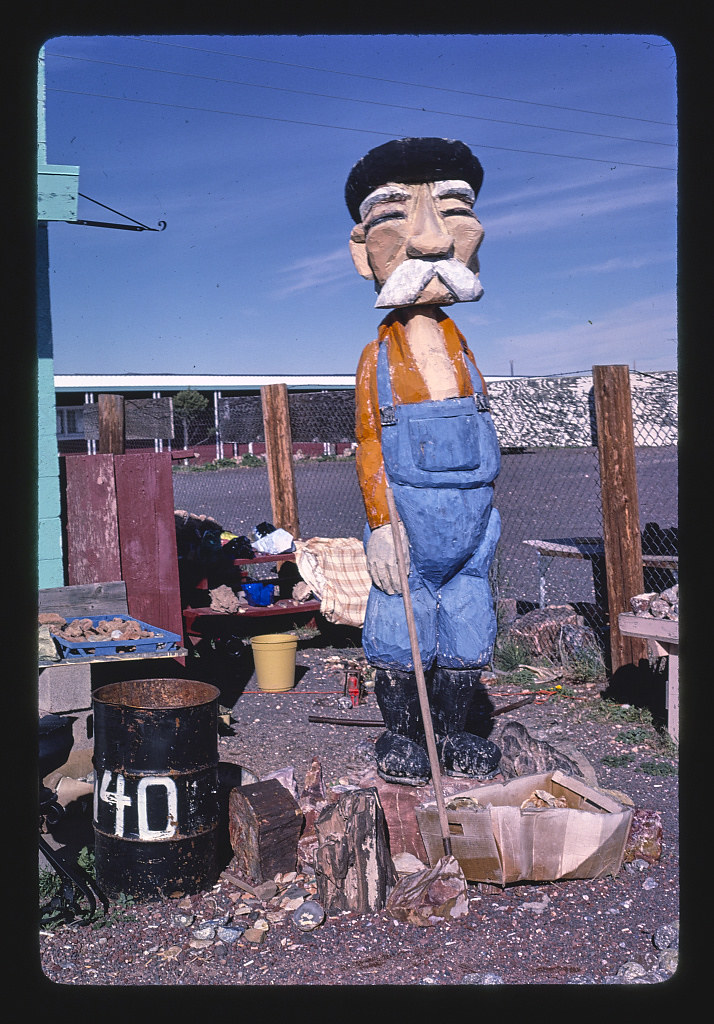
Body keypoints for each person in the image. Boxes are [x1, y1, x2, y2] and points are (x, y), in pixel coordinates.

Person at [346, 137, 502, 785]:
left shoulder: (465, 351)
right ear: (362, 252)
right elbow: (370, 443)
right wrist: (381, 521)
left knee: (468, 627)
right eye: (397, 216)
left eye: (453, 211)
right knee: (395, 629)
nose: (433, 242)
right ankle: (406, 738)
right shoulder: (376, 360)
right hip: (406, 526)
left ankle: (457, 732)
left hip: (473, 528)